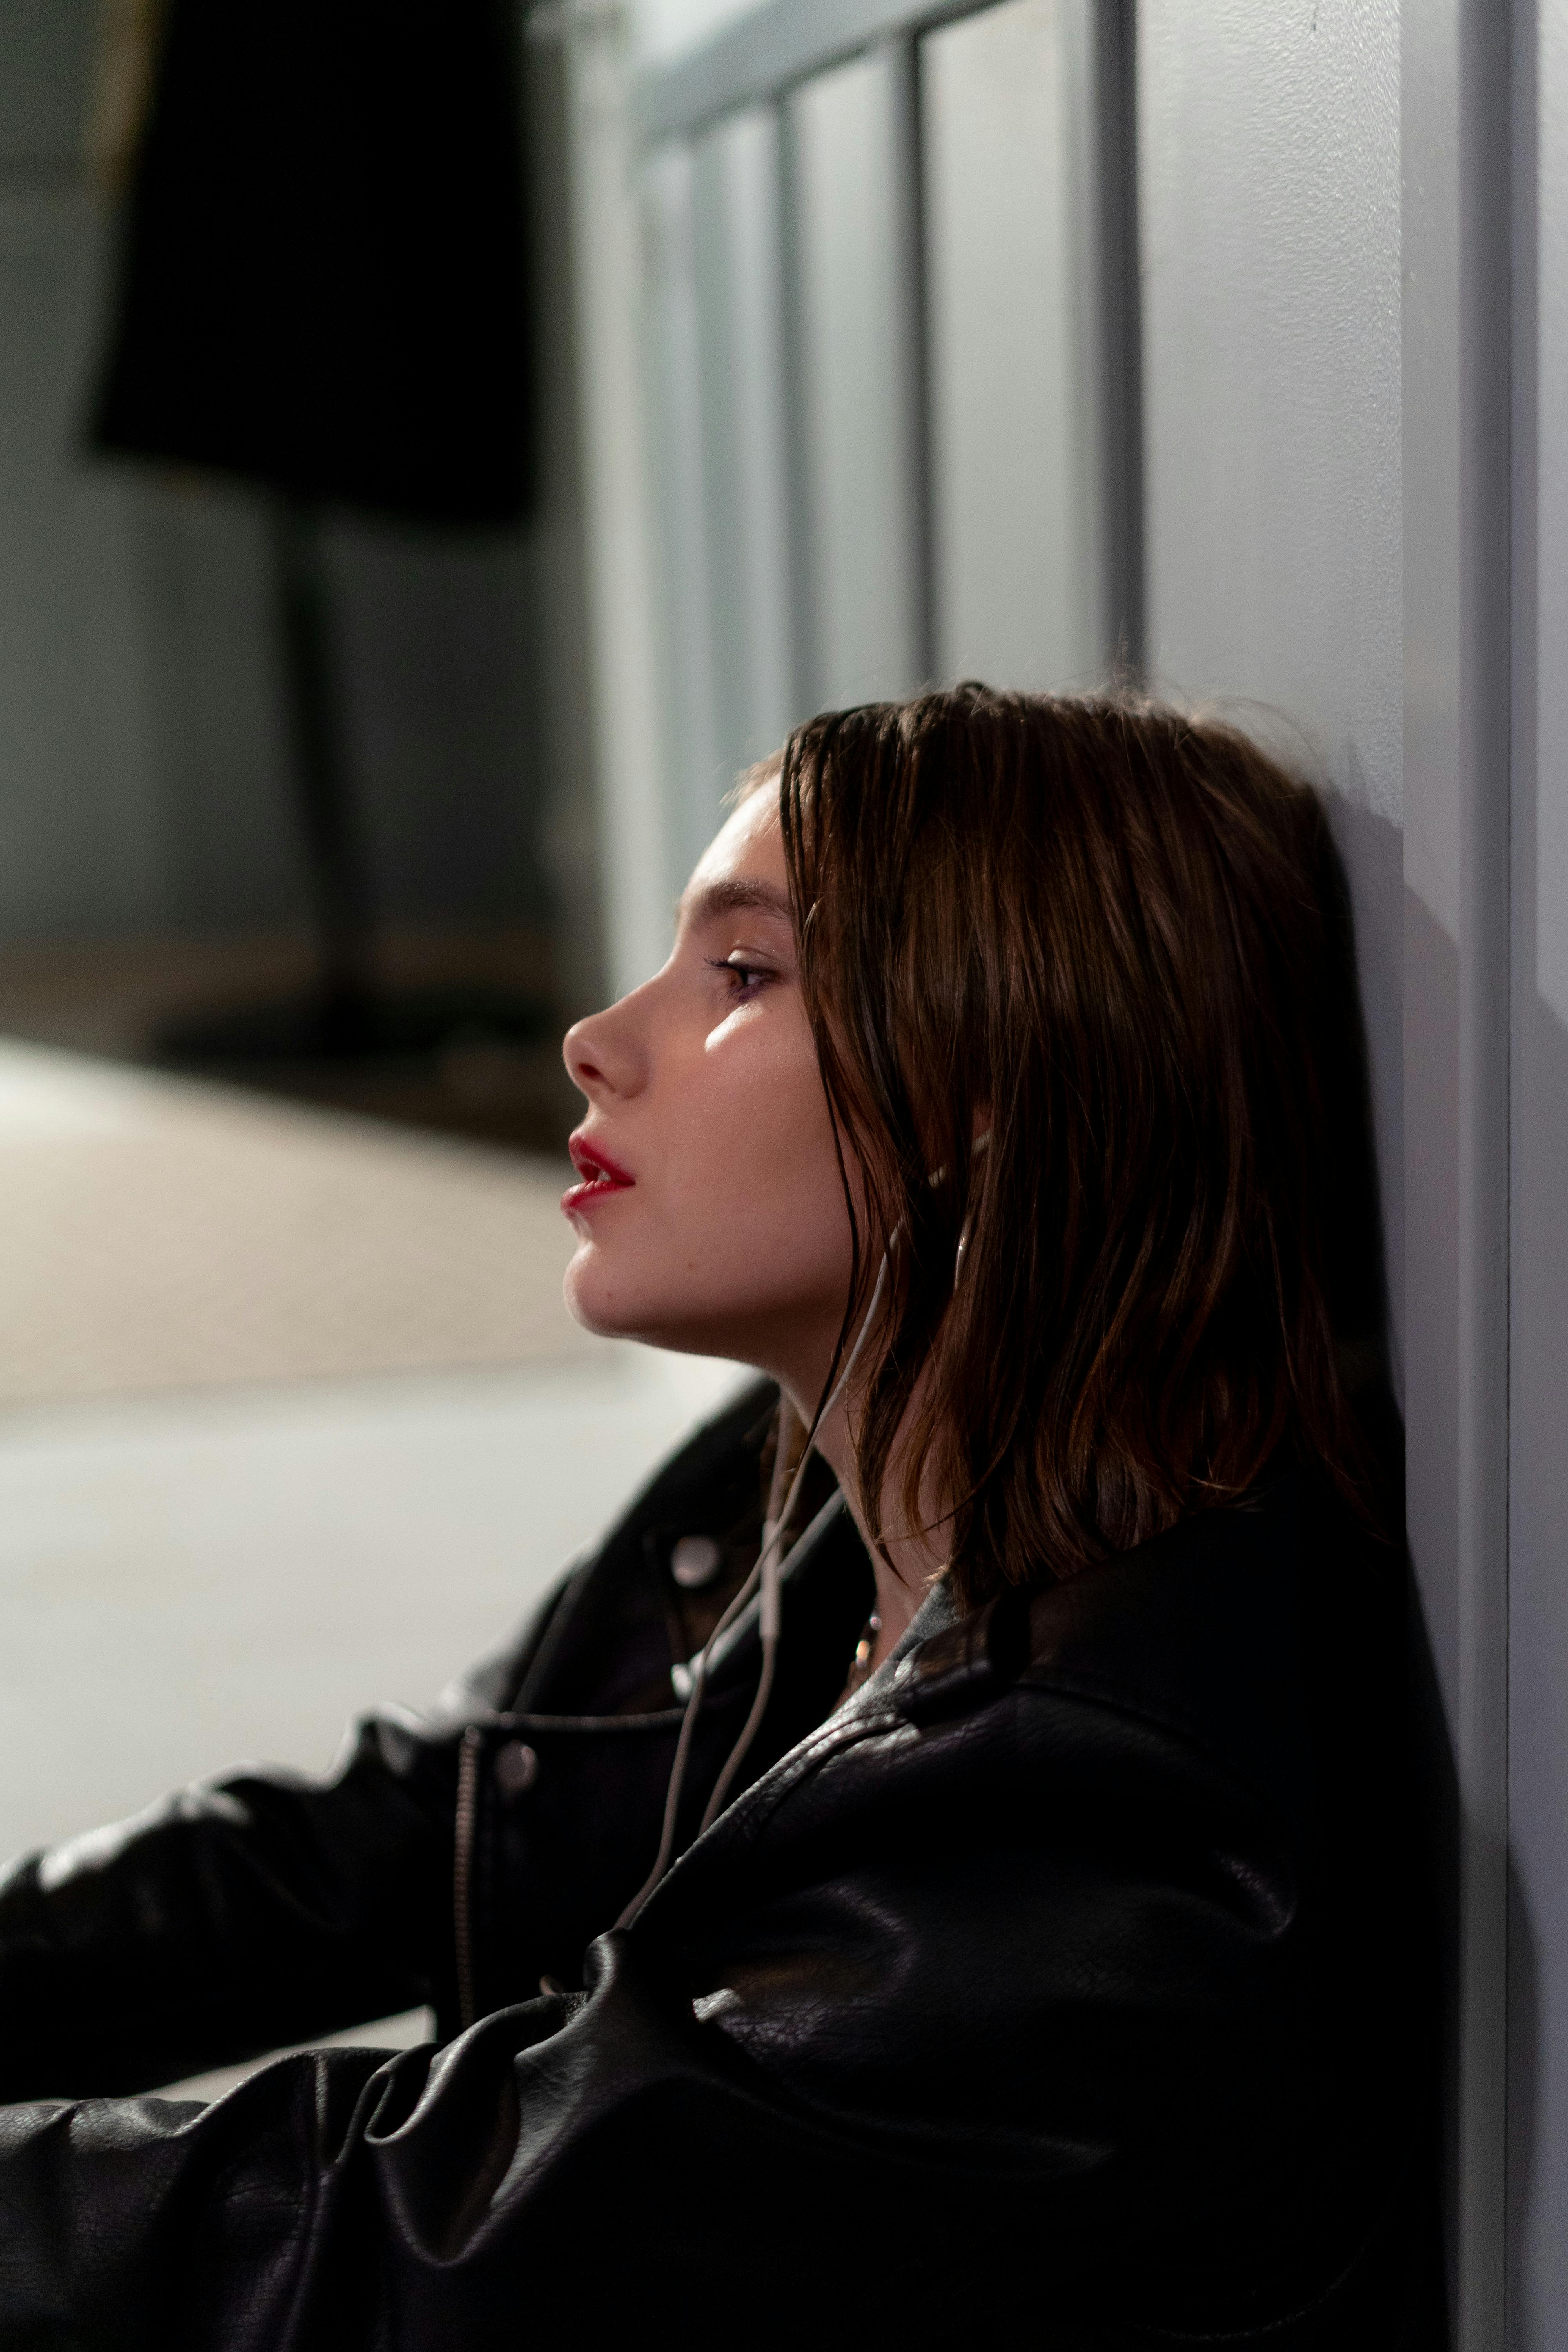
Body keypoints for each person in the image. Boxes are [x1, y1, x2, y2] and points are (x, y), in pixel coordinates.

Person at [0, 686, 1434, 2347]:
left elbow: (416, 2234)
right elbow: (391, 1836)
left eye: (740, 974)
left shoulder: (1102, 1842)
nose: (597, 1037)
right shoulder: (808, 1491)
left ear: (999, 1086)